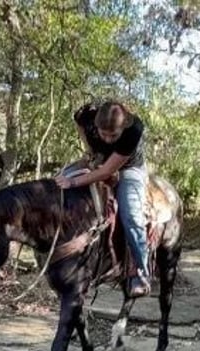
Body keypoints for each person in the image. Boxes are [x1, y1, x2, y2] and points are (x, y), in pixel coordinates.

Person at [54, 100, 151, 298]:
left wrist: (73, 182)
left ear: (122, 128)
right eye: (102, 134)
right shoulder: (84, 116)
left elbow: (108, 171)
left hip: (128, 168)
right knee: (54, 185)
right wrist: (90, 153)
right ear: (95, 125)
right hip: (98, 160)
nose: (107, 139)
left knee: (131, 215)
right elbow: (81, 129)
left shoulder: (133, 130)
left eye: (113, 135)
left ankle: (141, 272)